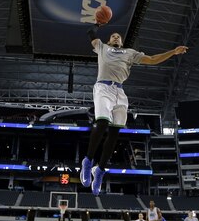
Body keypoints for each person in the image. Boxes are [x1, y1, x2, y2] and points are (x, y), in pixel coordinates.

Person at [80, 21, 188, 195]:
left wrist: (173, 52)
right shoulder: (102, 48)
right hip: (103, 88)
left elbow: (152, 59)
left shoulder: (130, 53)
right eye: (113, 35)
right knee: (101, 124)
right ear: (109, 41)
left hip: (120, 92)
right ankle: (87, 161)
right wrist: (97, 24)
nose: (116, 36)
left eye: (118, 36)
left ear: (122, 42)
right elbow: (90, 33)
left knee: (114, 134)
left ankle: (99, 170)